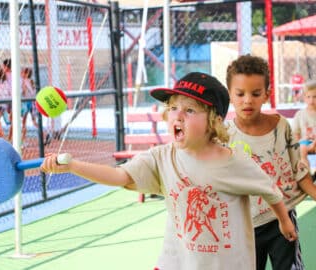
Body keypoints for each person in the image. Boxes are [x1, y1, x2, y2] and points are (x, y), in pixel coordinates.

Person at [41, 72, 297, 270]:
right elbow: (121, 176)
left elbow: (271, 191)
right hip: (176, 261)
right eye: (173, 108)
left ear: (214, 122)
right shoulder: (162, 157)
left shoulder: (234, 162)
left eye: (189, 110)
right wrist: (73, 166)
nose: (178, 116)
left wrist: (285, 222)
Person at [226, 54, 316, 270]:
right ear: (230, 95)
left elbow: (298, 170)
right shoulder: (224, 135)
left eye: (256, 94)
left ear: (267, 94)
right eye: (240, 94)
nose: (248, 100)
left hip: (283, 216)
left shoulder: (281, 126)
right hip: (245, 223)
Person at [292, 80, 316, 170]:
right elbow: (296, 133)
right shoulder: (300, 114)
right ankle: (306, 172)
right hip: (305, 142)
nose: (311, 100)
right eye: (308, 97)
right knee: (302, 149)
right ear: (304, 98)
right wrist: (299, 142)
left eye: (315, 97)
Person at [20, 67, 37, 143]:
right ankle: (44, 134)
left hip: (26, 102)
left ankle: (23, 140)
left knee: (24, 122)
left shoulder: (24, 81)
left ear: (26, 74)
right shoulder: (31, 82)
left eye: (22, 72)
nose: (21, 73)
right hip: (32, 103)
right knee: (34, 121)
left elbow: (23, 92)